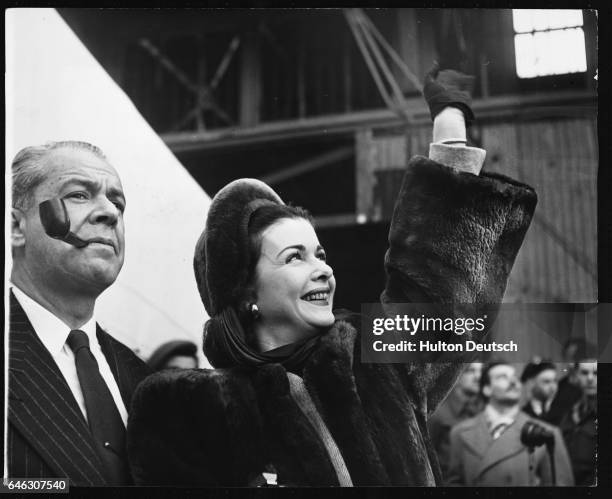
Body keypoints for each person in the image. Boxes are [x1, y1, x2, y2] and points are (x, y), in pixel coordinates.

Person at [127, 66, 538, 486]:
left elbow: (437, 280)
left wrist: (449, 116)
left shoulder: (372, 364)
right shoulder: (189, 407)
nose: (322, 268)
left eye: (320, 254)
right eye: (295, 258)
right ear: (246, 292)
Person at [7, 141, 151, 486]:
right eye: (79, 195)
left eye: (117, 202)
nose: (110, 213)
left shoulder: (147, 381)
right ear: (16, 228)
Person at [446, 362, 573, 486]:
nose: (513, 382)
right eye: (503, 377)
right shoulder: (460, 433)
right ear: (487, 389)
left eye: (515, 378)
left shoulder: (546, 433)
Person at [428, 362, 483, 479]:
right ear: (456, 376)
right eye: (470, 371)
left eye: (481, 371)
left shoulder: (481, 411)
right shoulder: (438, 413)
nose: (478, 377)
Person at [559, 360, 597, 486]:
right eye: (584, 373)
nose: (590, 378)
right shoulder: (570, 410)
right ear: (576, 376)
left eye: (596, 373)